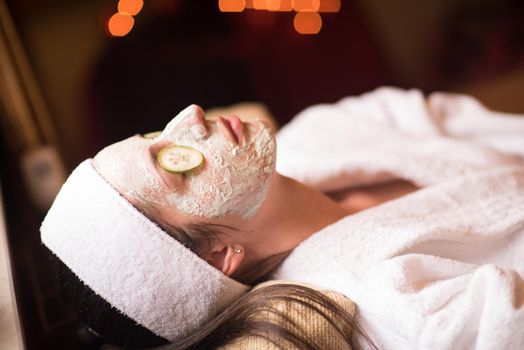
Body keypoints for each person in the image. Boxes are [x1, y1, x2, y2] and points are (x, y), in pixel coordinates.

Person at [41, 87, 524, 349]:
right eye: (173, 164)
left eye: (153, 135)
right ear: (217, 257)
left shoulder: (320, 133)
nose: (190, 116)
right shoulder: (395, 304)